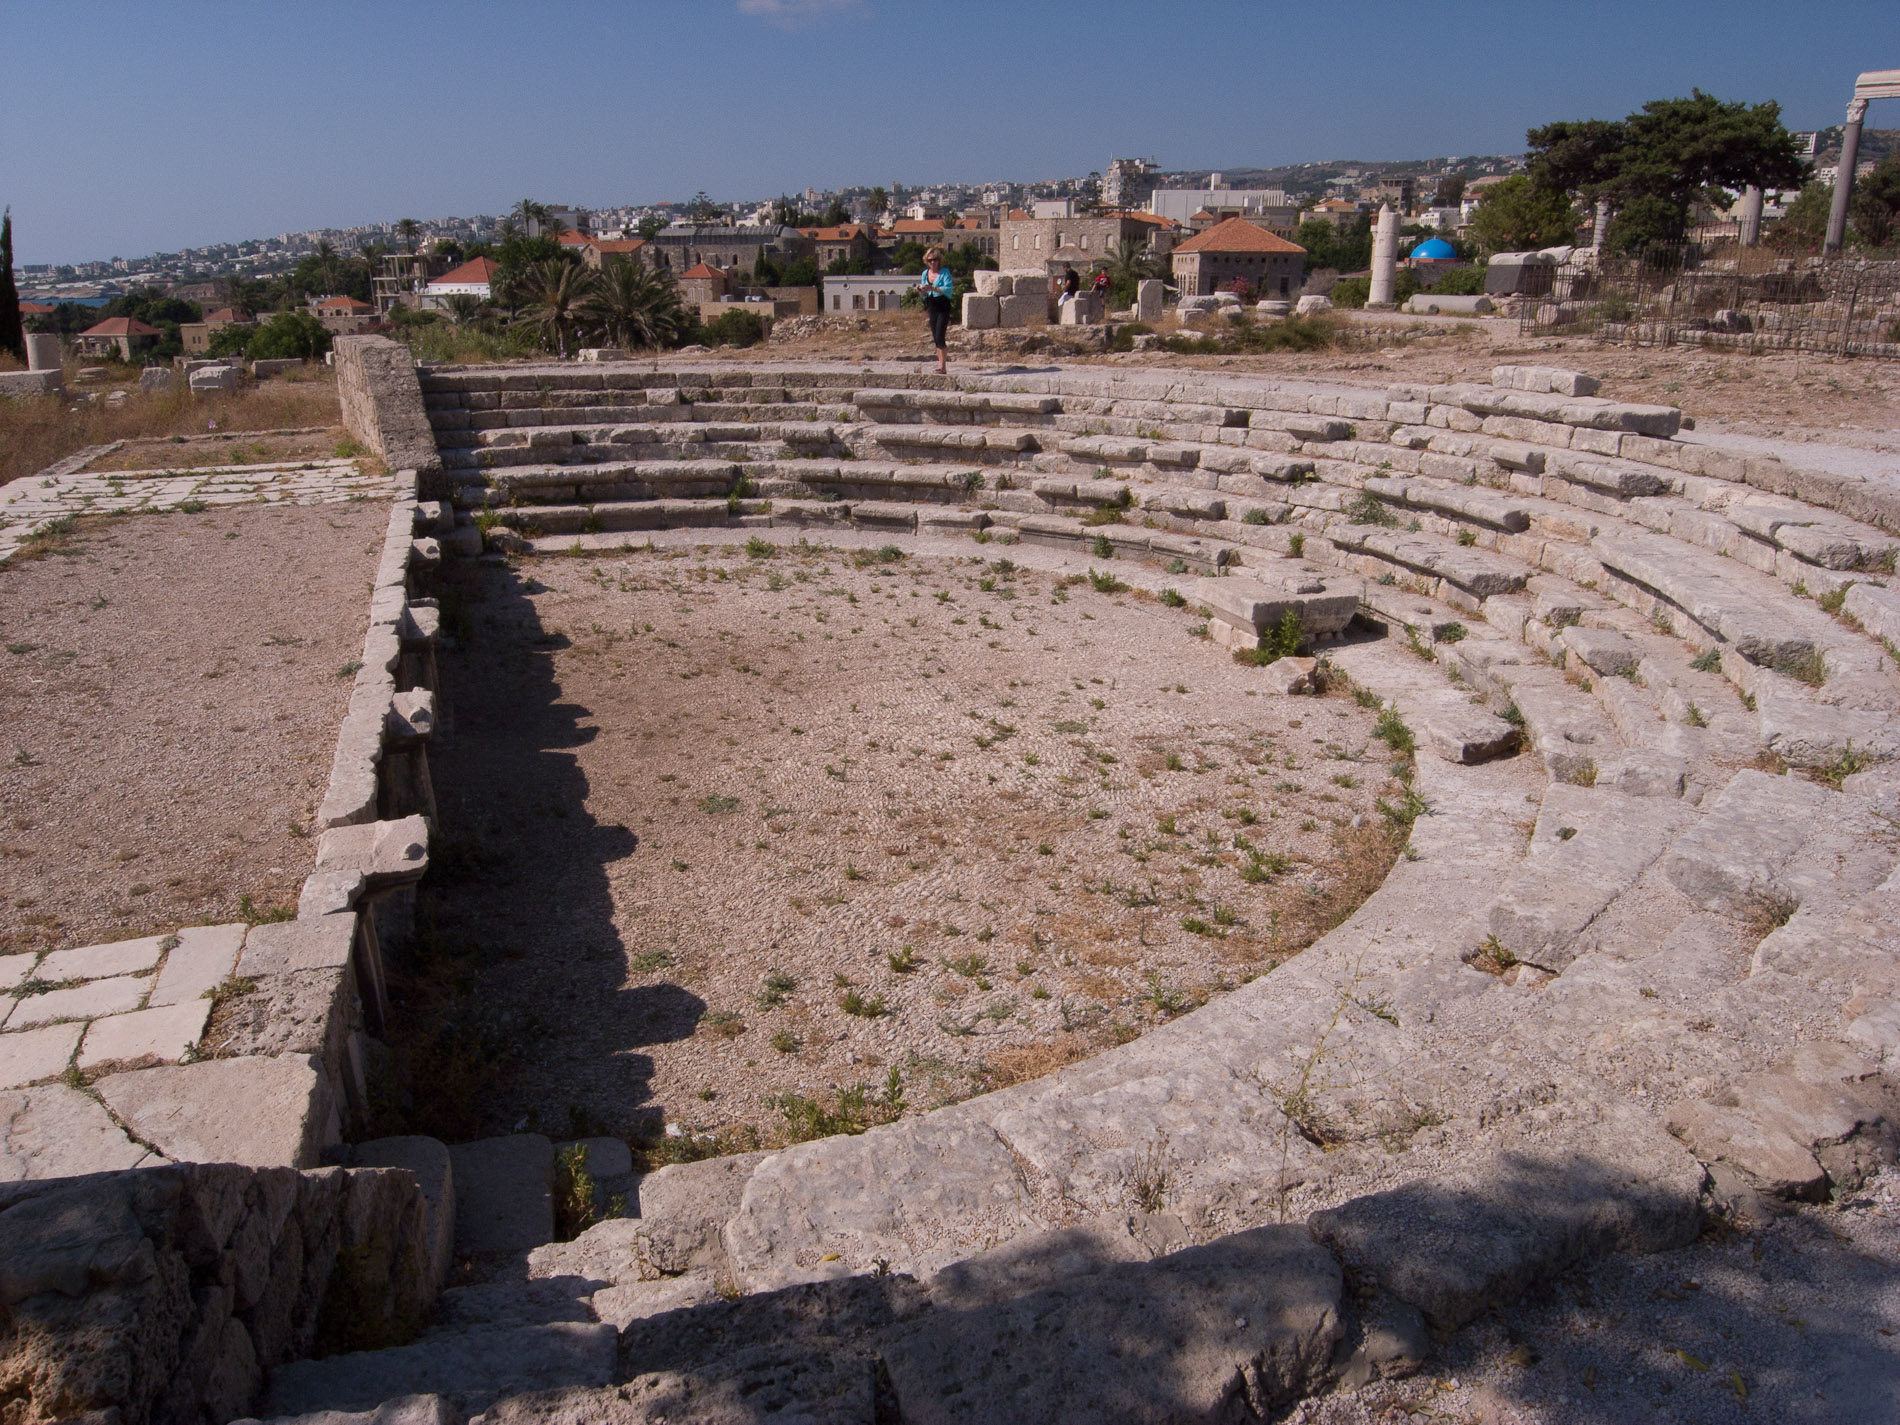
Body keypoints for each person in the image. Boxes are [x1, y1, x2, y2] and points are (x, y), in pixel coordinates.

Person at [914, 246, 954, 375]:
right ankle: (940, 365)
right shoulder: (925, 274)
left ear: (939, 260)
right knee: (935, 337)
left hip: (943, 306)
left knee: (940, 335)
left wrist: (932, 288)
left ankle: (942, 366)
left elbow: (948, 290)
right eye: (930, 260)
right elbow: (925, 295)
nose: (932, 262)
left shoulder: (944, 272)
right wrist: (922, 291)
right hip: (932, 306)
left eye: (935, 259)